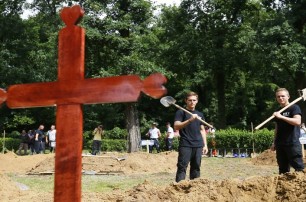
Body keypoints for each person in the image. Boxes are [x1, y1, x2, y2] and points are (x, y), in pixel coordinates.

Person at [174, 91, 208, 182]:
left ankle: (195, 190)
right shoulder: (180, 112)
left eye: (194, 100)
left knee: (196, 168)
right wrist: (190, 120)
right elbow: (176, 126)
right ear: (186, 101)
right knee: (182, 167)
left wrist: (205, 145)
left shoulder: (200, 114)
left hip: (198, 144)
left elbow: (202, 130)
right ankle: (179, 189)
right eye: (190, 100)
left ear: (197, 101)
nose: (192, 102)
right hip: (186, 144)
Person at [270, 88, 304, 174]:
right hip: (280, 144)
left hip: (292, 143)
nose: (280, 98)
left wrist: (281, 117)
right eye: (278, 97)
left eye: (283, 96)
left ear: (288, 97)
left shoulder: (294, 108)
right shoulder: (278, 111)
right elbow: (277, 128)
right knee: (283, 170)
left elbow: (297, 122)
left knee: (298, 168)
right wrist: (274, 142)